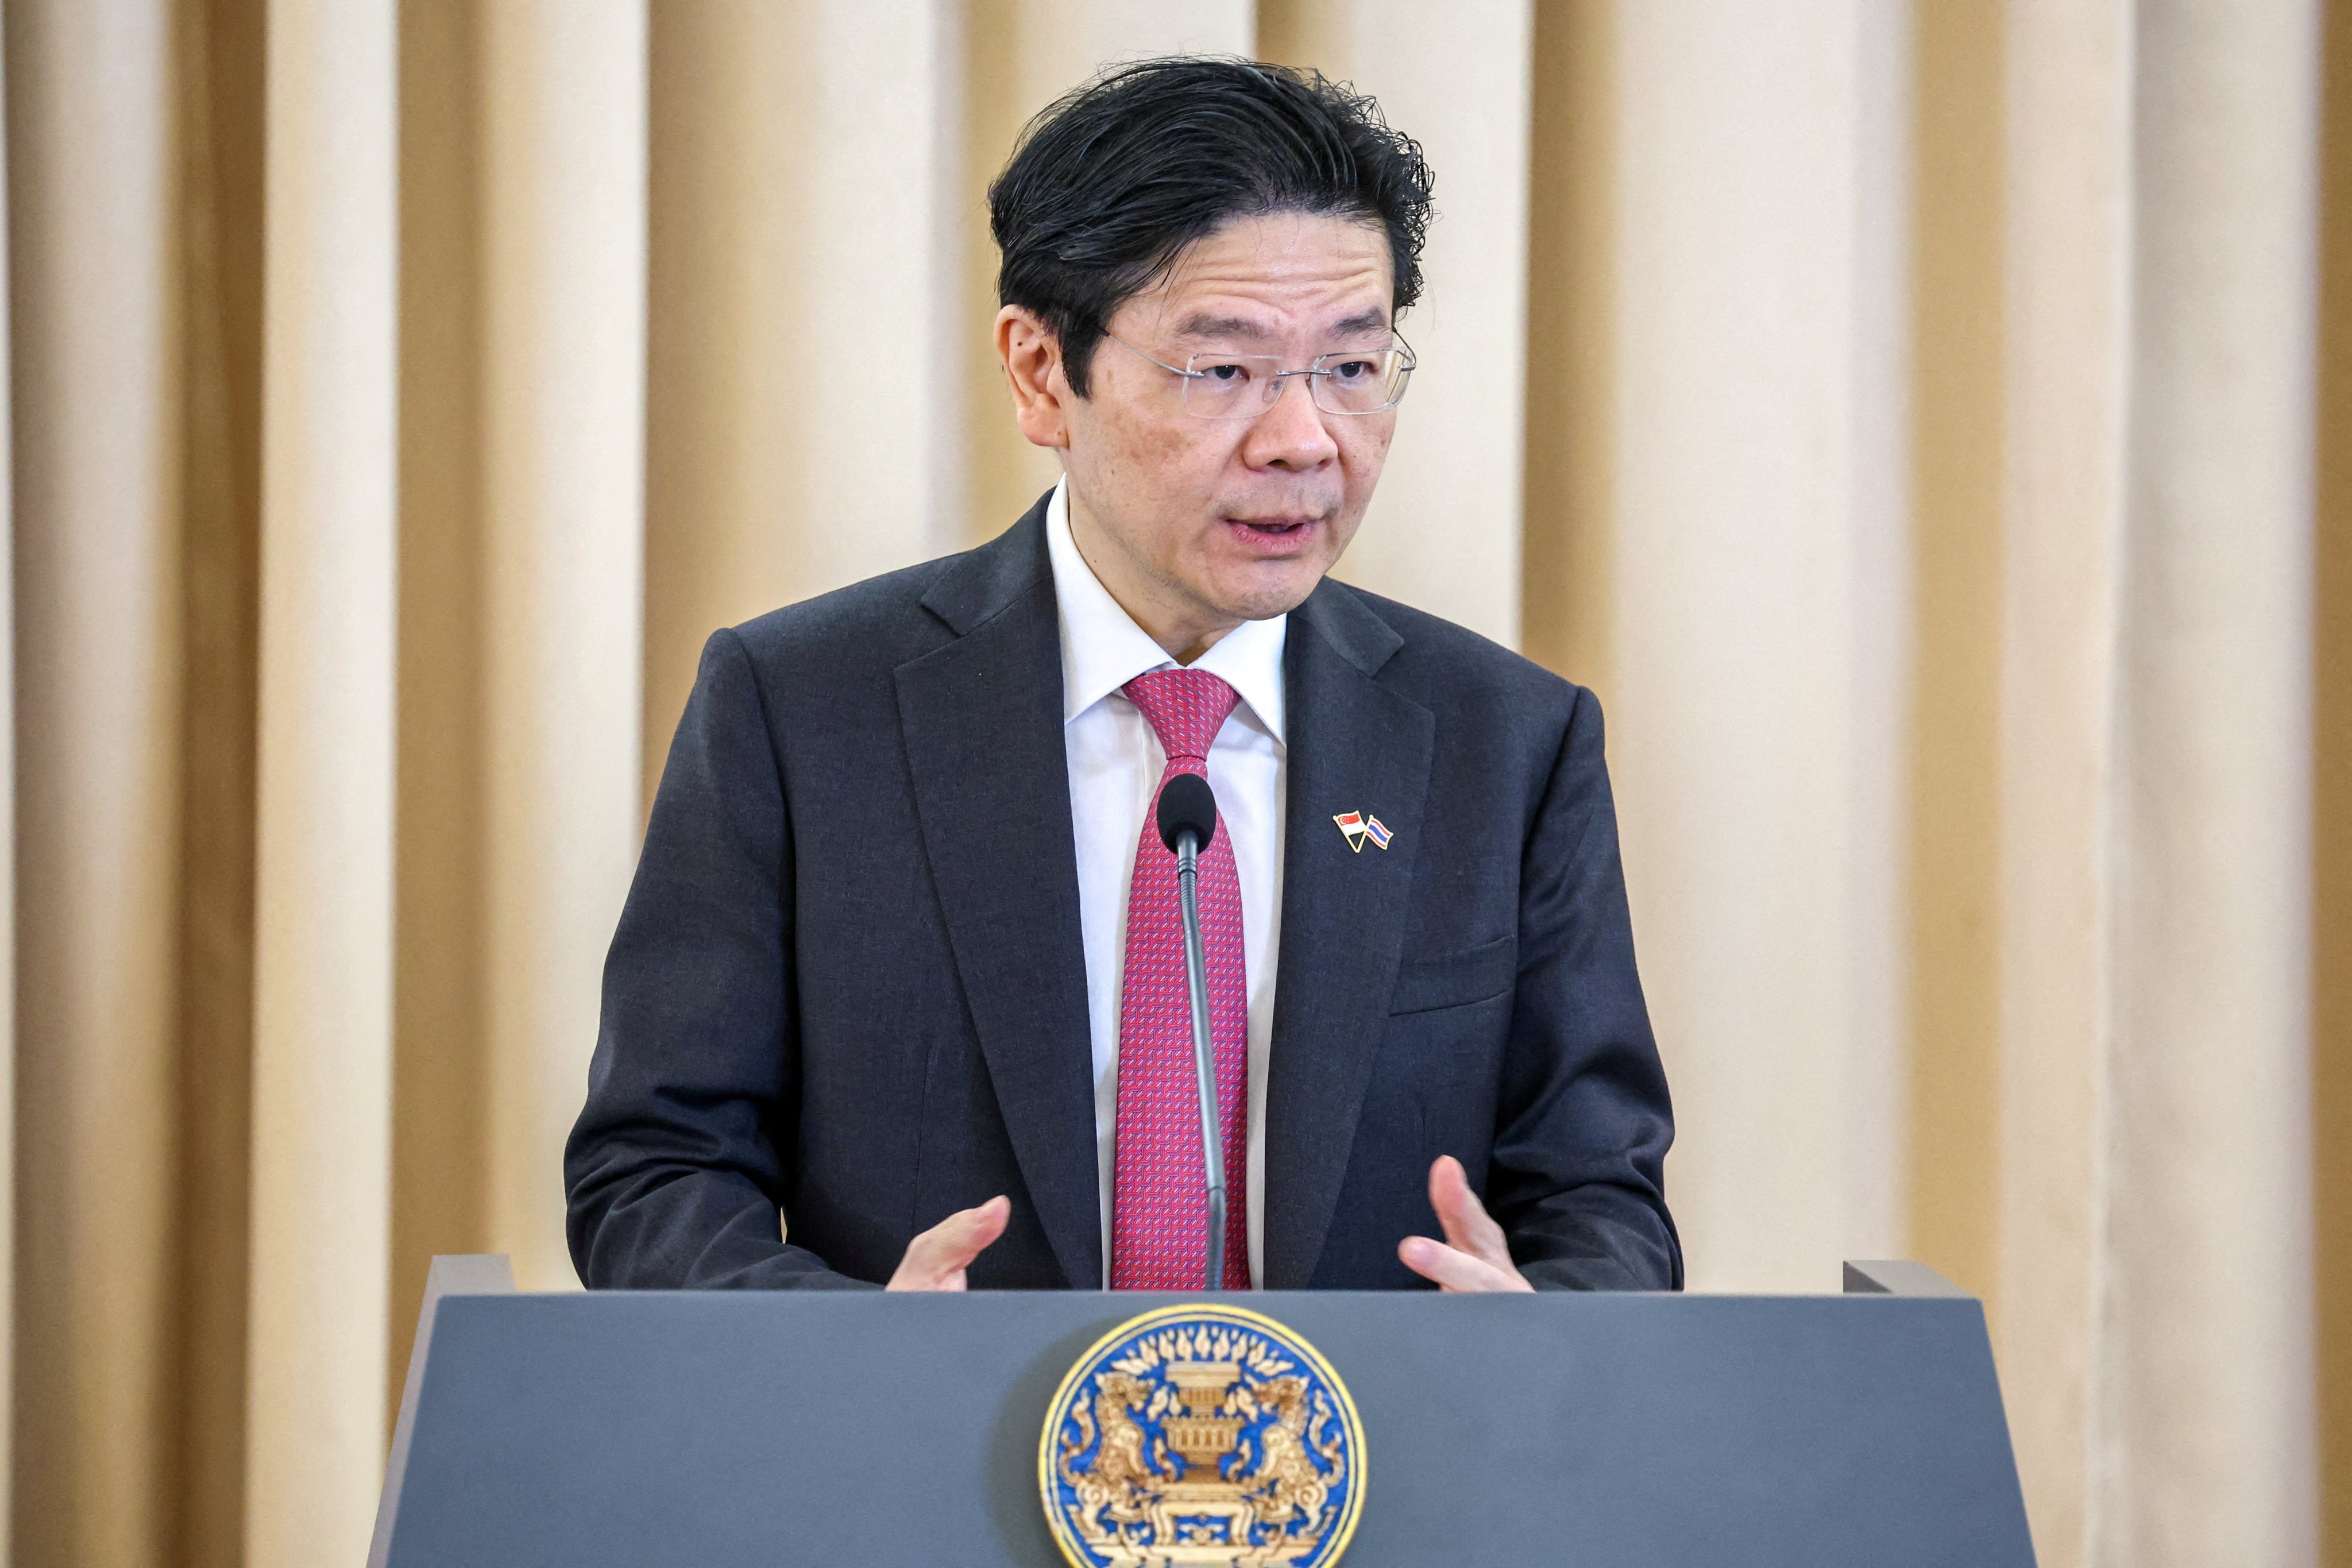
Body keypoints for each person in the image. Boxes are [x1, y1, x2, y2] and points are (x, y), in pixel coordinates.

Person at [565, 57, 1679, 1295]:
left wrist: (1547, 1344)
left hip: (1379, 1475)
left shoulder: (1506, 743)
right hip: (930, 1470)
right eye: (1223, 371)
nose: (1304, 439)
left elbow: (1600, 1200)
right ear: (1044, 373)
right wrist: (845, 1362)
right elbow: (656, 1170)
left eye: (1351, 369)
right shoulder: (798, 709)